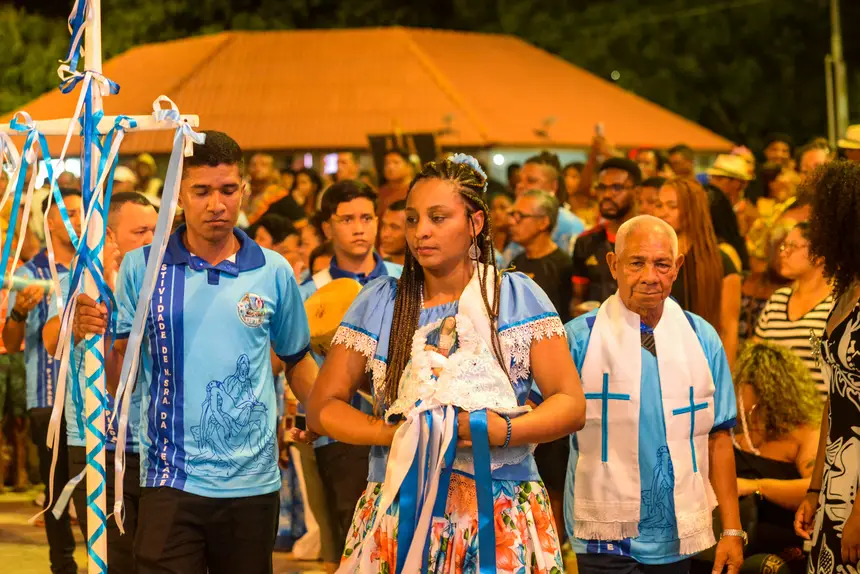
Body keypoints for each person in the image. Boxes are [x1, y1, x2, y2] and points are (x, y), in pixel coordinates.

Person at [306, 154, 585, 572]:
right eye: (413, 218)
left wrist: (505, 429)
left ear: (474, 223)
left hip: (498, 506)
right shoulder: (382, 302)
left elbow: (571, 403)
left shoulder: (514, 297)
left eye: (438, 217)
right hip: (399, 500)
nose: (421, 232)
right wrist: (392, 435)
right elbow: (322, 406)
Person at [71, 131, 318, 574]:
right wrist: (97, 335)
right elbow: (118, 378)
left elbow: (298, 358)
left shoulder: (273, 270)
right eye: (201, 191)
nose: (217, 205)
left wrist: (319, 416)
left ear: (244, 189)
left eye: (228, 190)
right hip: (170, 480)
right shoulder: (142, 267)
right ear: (178, 196)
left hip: (253, 485)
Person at [564, 214, 744, 574]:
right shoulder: (580, 338)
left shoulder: (701, 337)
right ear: (614, 265)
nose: (650, 276)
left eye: (662, 264)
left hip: (677, 531)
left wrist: (732, 529)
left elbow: (719, 436)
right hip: (603, 534)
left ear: (677, 267)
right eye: (636, 263)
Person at [41, 192, 157, 573]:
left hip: (160, 448)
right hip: (96, 445)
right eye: (140, 231)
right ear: (108, 236)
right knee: (114, 561)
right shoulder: (79, 281)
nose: (150, 240)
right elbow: (50, 335)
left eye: (157, 231)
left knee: (159, 559)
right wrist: (75, 324)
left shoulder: (167, 282)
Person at [297, 180, 402, 570]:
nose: (359, 228)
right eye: (346, 219)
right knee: (349, 535)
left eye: (366, 218)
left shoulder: (405, 277)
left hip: (403, 422)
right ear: (328, 228)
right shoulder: (310, 291)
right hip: (340, 428)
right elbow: (297, 362)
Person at [2, 189, 80, 574]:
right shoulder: (29, 274)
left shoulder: (95, 268)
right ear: (50, 221)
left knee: (90, 484)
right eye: (71, 213)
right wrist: (18, 311)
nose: (80, 219)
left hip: (92, 399)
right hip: (48, 399)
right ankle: (62, 564)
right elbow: (13, 344)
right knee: (57, 491)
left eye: (84, 211)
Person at [693, 343, 820, 573]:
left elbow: (815, 488)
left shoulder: (804, 434)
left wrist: (755, 486)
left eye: (758, 410)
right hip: (722, 535)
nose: (751, 417)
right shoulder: (729, 434)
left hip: (777, 545)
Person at [793, 160, 860, 574]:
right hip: (837, 472)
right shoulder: (847, 288)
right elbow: (833, 404)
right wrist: (815, 488)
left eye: (821, 214)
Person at [654, 177, 742, 368]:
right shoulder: (649, 258)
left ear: (692, 210)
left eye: (672, 206)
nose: (663, 212)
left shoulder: (721, 262)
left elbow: (728, 329)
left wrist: (724, 381)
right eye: (659, 205)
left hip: (701, 364)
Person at [754, 223, 833, 396]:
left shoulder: (836, 305)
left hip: (821, 415)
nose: (783, 253)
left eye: (793, 246)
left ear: (819, 255)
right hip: (774, 414)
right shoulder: (777, 300)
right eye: (783, 246)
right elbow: (754, 361)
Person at [572, 157, 640, 308]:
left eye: (617, 188)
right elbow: (577, 297)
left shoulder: (651, 240)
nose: (607, 195)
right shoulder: (586, 241)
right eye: (602, 188)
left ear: (637, 192)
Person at [509, 189, 574, 323]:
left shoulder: (563, 266)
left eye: (520, 216)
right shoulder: (516, 262)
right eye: (512, 215)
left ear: (543, 222)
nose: (512, 222)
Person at [510, 151, 585, 259]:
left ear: (553, 186)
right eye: (519, 181)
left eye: (531, 181)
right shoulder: (513, 218)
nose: (521, 186)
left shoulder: (570, 225)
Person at [243, 153, 298, 226]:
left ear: (273, 170)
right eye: (253, 164)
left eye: (263, 165)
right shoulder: (244, 193)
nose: (257, 168)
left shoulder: (280, 195)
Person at [376, 149, 414, 216]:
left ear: (409, 167)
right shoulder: (381, 191)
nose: (390, 167)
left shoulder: (417, 190)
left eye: (396, 163)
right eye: (387, 163)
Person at [379, 200, 407, 265]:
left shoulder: (429, 272)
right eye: (384, 225)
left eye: (394, 227)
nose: (384, 234)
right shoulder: (377, 270)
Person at [489, 190, 514, 256]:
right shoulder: (483, 242)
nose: (497, 213)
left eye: (503, 208)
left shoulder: (519, 246)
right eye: (493, 208)